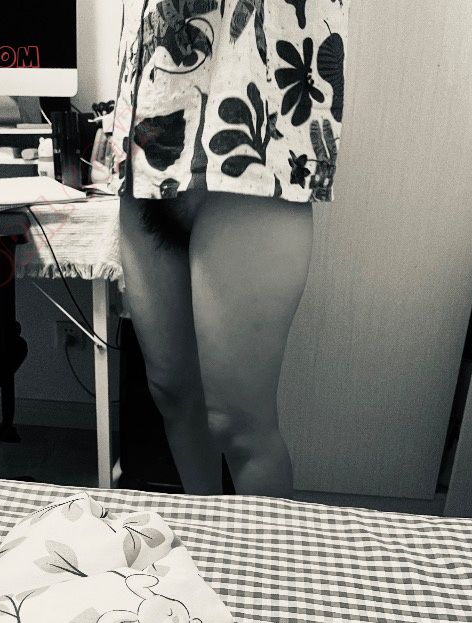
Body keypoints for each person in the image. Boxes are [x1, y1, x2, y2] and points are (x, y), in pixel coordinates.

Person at [113, 0, 350, 496]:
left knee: (240, 425)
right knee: (172, 395)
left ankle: (262, 549)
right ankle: (205, 534)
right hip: (149, 138)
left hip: (258, 140)